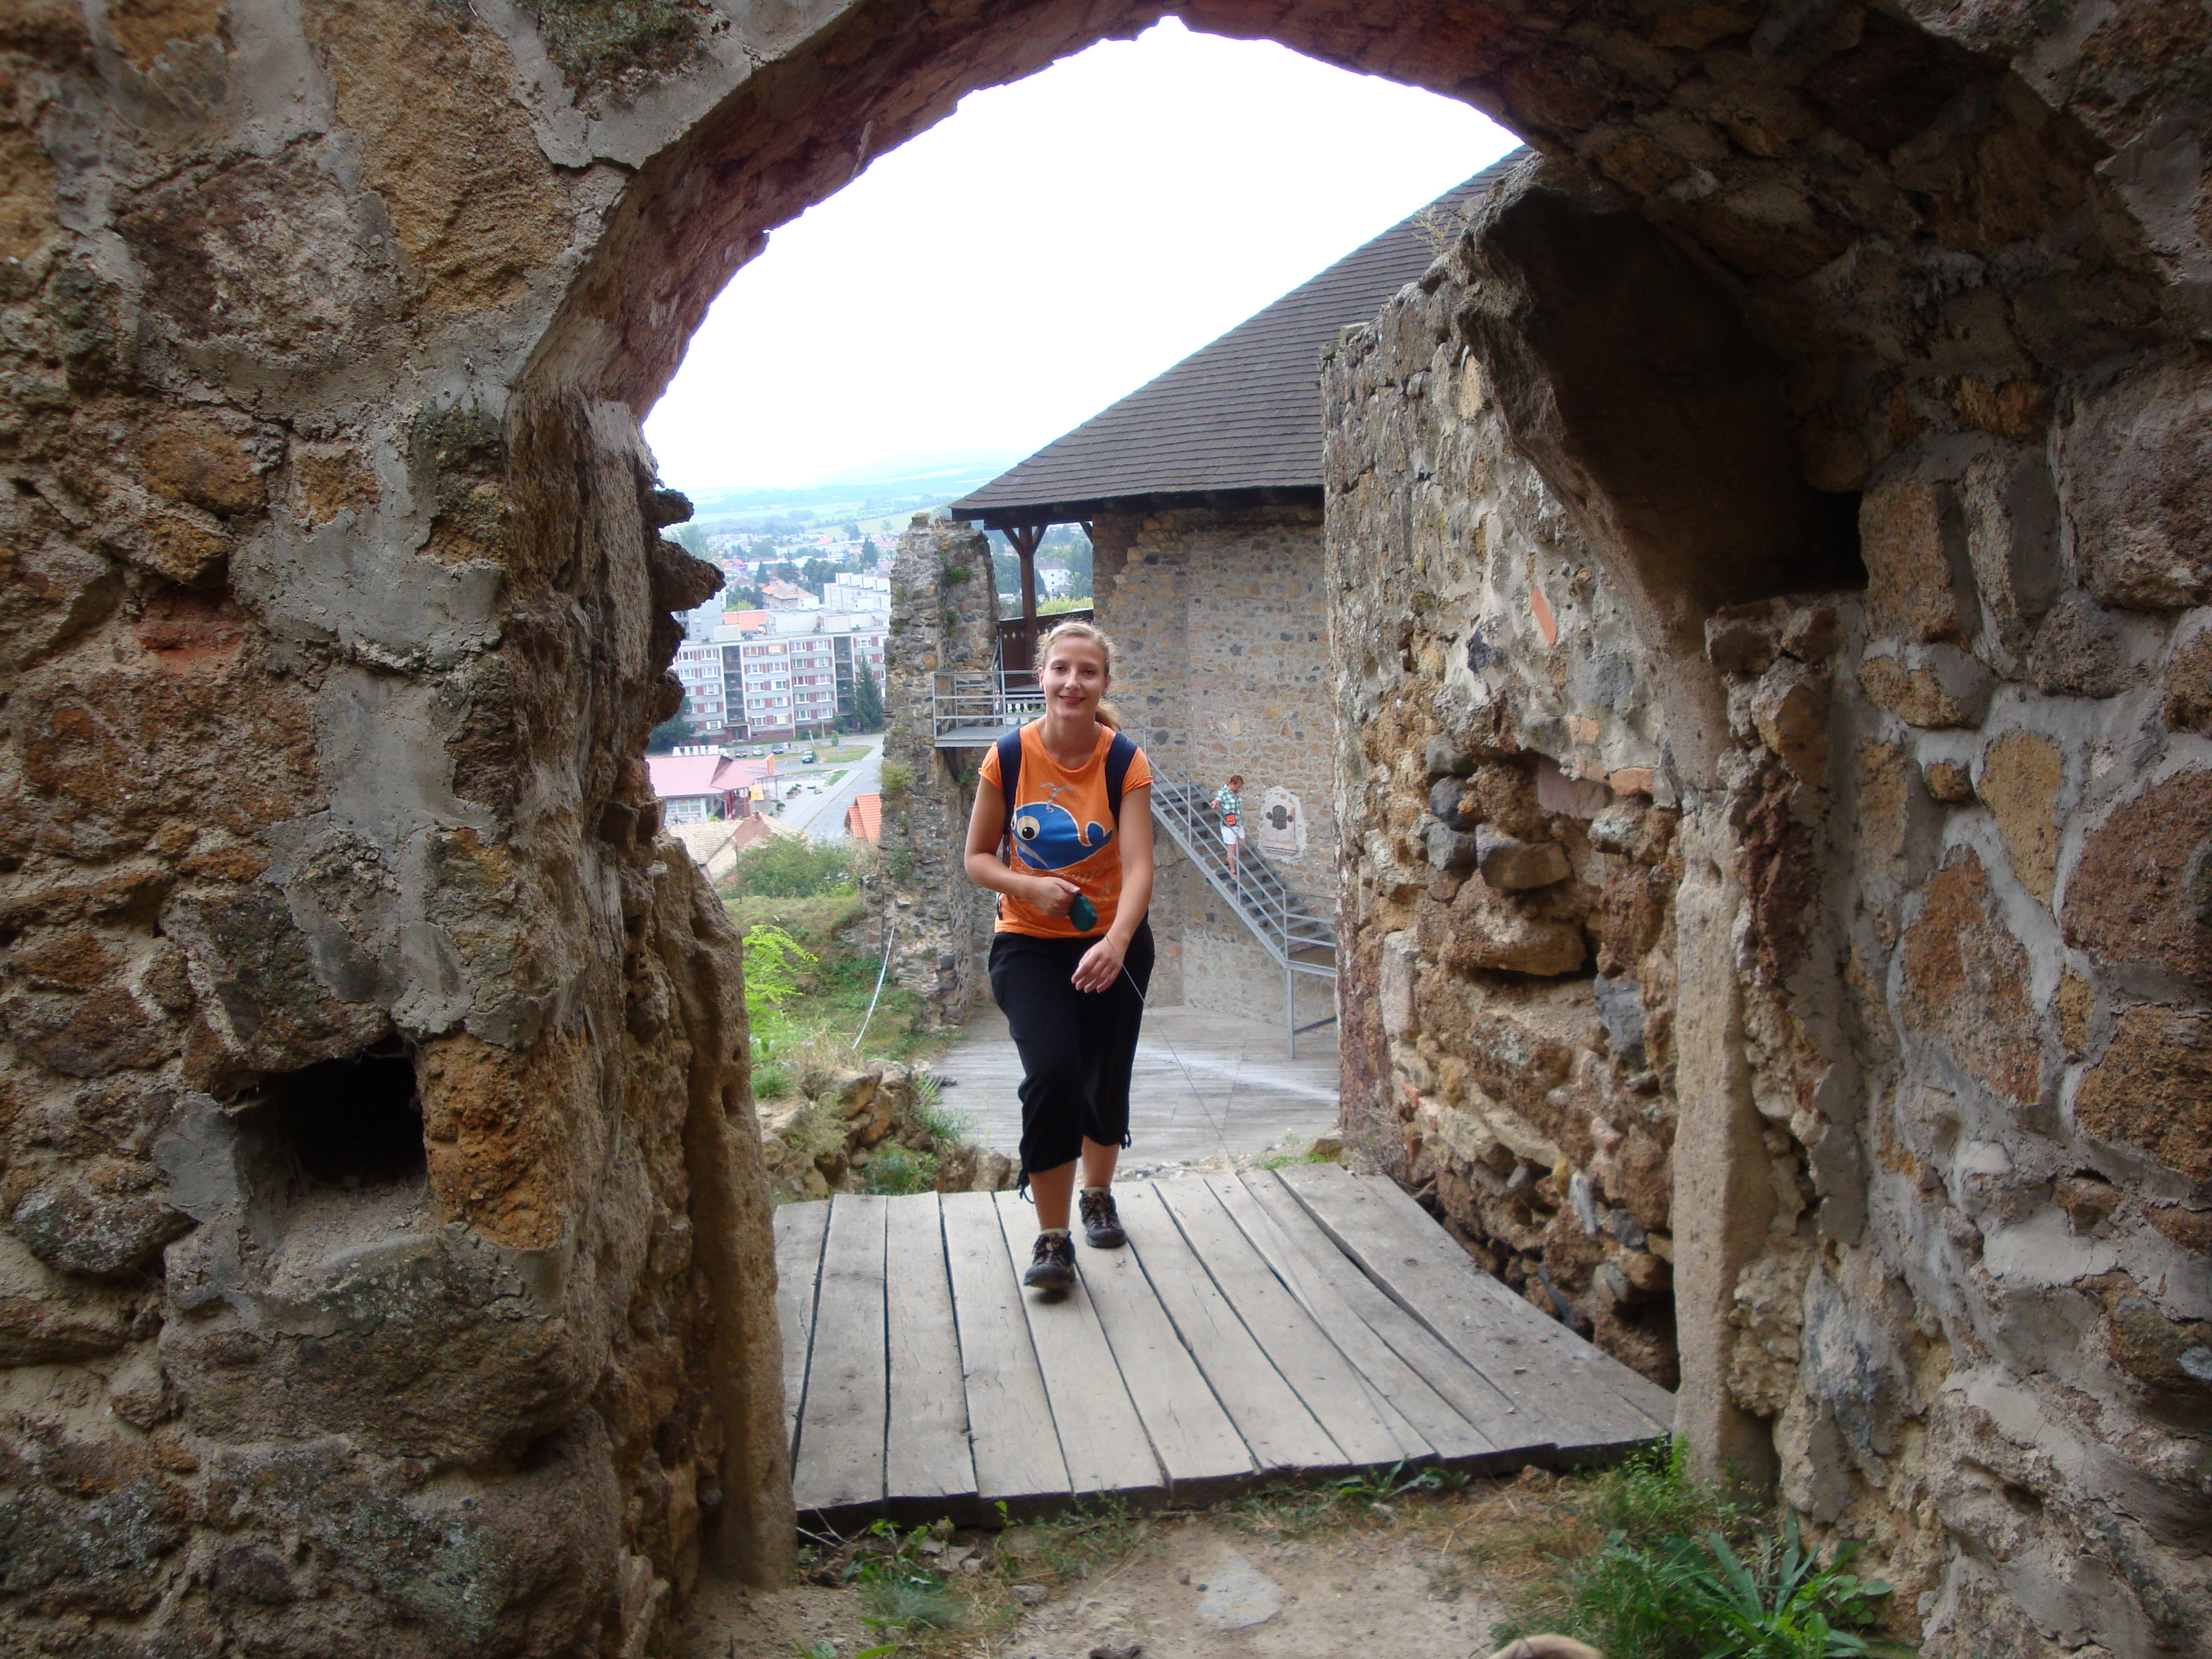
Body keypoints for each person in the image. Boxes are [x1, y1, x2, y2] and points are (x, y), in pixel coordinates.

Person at [964, 619, 1155, 1292]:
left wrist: (1117, 941)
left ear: (1105, 682)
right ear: (1041, 676)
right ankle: (1053, 1238)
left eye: (1088, 672)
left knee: (1105, 1074)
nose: (1073, 682)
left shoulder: (1123, 761)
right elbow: (977, 858)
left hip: (1114, 942)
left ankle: (1097, 1194)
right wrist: (1029, 887)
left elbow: (1140, 866)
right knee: (1053, 1075)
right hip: (1028, 943)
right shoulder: (1008, 757)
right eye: (1061, 669)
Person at [1213, 773, 1245, 884]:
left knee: (1242, 843)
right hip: (1228, 824)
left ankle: (1229, 859)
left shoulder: (1236, 793)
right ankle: (1232, 870)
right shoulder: (1224, 792)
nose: (1239, 789)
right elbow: (1218, 798)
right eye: (1238, 786)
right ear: (1232, 784)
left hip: (1238, 822)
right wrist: (1216, 802)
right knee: (1231, 848)